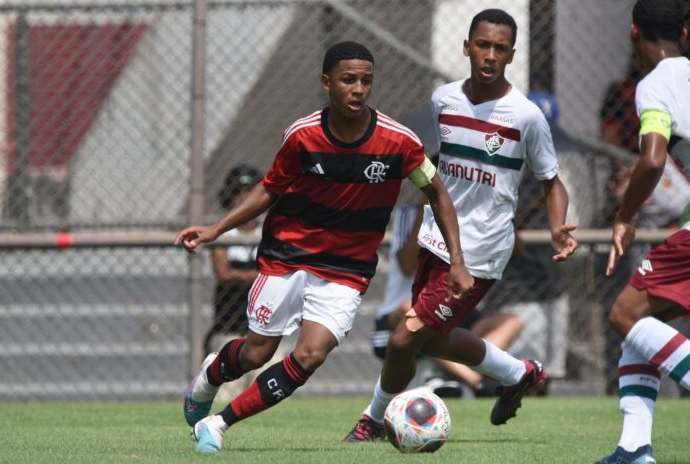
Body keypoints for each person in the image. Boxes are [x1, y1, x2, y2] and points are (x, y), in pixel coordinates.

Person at [174, 40, 473, 454]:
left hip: (346, 271)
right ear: (326, 83)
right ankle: (210, 376)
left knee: (310, 355)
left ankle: (219, 425)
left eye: (366, 81)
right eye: (348, 80)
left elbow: (438, 193)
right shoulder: (302, 136)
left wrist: (457, 261)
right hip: (287, 258)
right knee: (256, 353)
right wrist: (216, 229)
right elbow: (269, 189)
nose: (358, 89)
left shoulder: (399, 142)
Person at [344, 8, 578, 442]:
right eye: (483, 45)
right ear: (467, 47)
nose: (490, 55)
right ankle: (519, 372)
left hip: (481, 251)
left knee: (402, 340)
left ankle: (371, 420)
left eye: (500, 48)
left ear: (511, 55)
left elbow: (551, 181)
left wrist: (557, 227)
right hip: (436, 236)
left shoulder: (525, 116)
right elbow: (436, 166)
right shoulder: (443, 100)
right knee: (431, 341)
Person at [598, 1, 690, 463]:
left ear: (633, 33)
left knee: (625, 316)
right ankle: (634, 449)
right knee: (639, 315)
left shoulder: (656, 84)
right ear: (686, 34)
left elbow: (653, 159)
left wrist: (625, 215)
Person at [371, 199, 523, 397]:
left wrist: (502, 221)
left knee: (511, 322)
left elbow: (519, 248)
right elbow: (407, 265)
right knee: (414, 313)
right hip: (401, 315)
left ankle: (456, 377)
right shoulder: (410, 211)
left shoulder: (478, 208)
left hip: (452, 306)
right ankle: (477, 383)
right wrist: (432, 207)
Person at [204, 165, 262, 358]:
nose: (244, 199)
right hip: (229, 325)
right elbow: (225, 274)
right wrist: (261, 275)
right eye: (238, 192)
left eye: (250, 192)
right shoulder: (223, 234)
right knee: (227, 385)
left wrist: (243, 276)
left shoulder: (268, 233)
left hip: (262, 327)